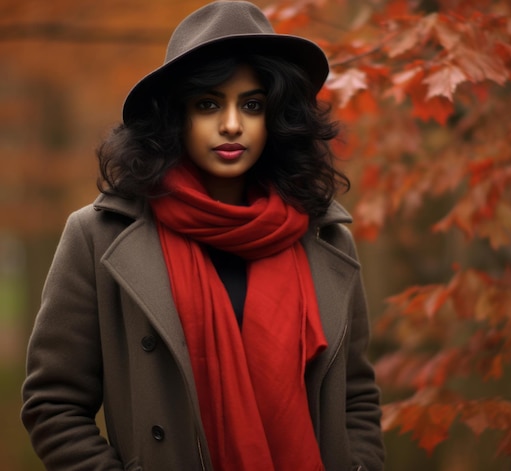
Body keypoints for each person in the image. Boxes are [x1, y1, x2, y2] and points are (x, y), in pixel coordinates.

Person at [21, 1, 384, 470]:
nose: (231, 124)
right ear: (175, 116)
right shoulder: (98, 235)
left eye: (252, 105)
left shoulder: (324, 237)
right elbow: (53, 404)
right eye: (208, 103)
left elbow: (355, 396)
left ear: (276, 117)